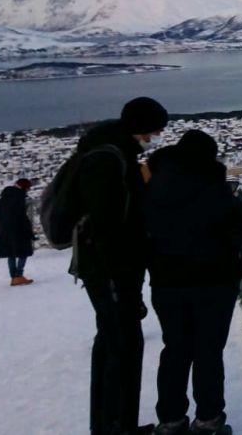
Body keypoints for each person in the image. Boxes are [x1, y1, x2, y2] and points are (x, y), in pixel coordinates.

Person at [145, 129, 242, 435]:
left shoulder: (152, 188)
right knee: (208, 350)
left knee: (175, 350)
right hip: (213, 282)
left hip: (167, 282)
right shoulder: (213, 187)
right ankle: (208, 420)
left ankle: (170, 419)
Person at [75, 96, 168, 435]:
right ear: (139, 127)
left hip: (114, 270)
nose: (154, 137)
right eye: (153, 131)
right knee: (119, 348)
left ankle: (118, 424)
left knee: (118, 345)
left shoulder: (114, 154)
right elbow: (109, 225)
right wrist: (119, 273)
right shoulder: (108, 160)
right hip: (110, 270)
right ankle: (113, 426)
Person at [0, 177, 35, 285]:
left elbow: (0, 213)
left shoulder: (6, 195)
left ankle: (14, 277)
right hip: (18, 228)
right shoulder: (19, 196)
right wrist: (29, 230)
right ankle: (19, 275)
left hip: (5, 228)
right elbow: (21, 215)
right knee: (24, 251)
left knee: (11, 253)